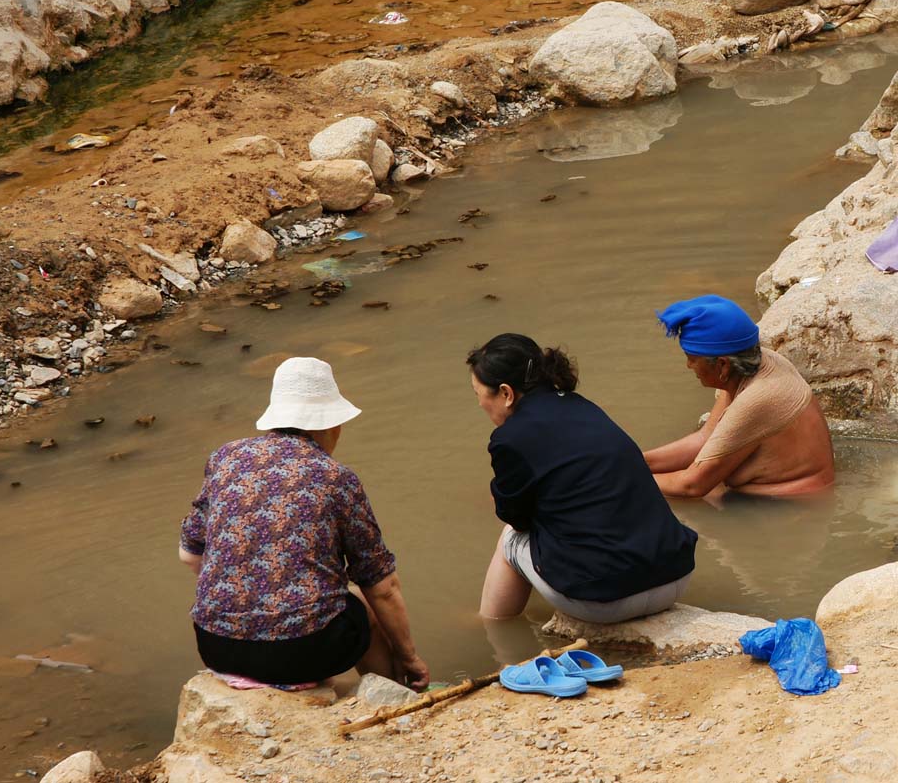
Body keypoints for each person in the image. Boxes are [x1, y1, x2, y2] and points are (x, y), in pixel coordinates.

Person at [179, 357, 429, 690]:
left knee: (324, 603)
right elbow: (382, 587)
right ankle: (392, 690)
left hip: (216, 646)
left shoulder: (225, 458)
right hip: (301, 652)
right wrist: (410, 657)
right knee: (361, 606)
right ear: (330, 425)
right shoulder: (336, 477)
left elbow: (190, 555)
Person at [468, 333, 697, 624]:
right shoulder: (583, 406)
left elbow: (516, 519)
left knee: (510, 539)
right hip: (676, 576)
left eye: (479, 394)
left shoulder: (509, 439)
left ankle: (493, 630)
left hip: (606, 601)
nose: (479, 404)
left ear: (506, 393)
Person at [643, 295, 835, 499]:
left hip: (787, 508)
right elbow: (704, 440)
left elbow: (692, 486)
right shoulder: (757, 364)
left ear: (723, 365)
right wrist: (637, 461)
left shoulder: (758, 398)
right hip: (767, 498)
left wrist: (624, 477)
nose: (688, 366)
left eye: (691, 358)